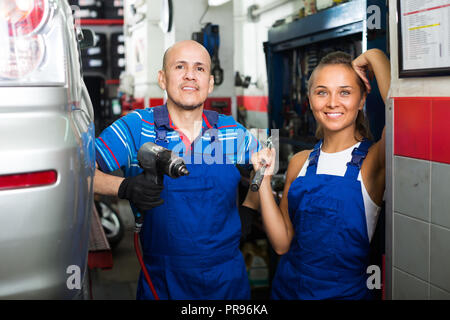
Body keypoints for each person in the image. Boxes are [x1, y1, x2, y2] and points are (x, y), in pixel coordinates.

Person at [94, 40, 260, 300]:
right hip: (163, 280)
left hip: (225, 279)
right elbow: (79, 173)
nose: (190, 75)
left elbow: (265, 168)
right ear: (162, 78)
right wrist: (124, 187)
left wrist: (250, 206)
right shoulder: (136, 127)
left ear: (211, 82)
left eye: (200, 68)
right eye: (179, 66)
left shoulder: (231, 132)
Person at [250, 48, 390, 299]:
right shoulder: (300, 162)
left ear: (361, 100)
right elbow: (282, 244)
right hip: (288, 291)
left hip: (344, 294)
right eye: (322, 92)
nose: (332, 102)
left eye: (345, 92)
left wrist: (374, 56)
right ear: (310, 99)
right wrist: (263, 180)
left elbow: (402, 115)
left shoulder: (373, 161)